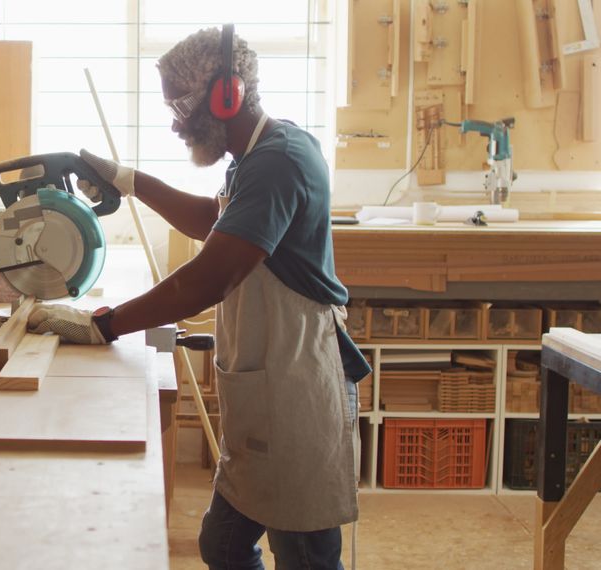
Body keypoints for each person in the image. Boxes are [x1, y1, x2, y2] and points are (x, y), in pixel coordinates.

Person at [26, 25, 371, 570]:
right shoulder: (252, 158)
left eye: (181, 105)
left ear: (226, 94)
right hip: (268, 382)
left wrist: (104, 324)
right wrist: (127, 179)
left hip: (297, 386)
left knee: (303, 553)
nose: (176, 122)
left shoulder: (279, 160)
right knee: (225, 546)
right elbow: (212, 221)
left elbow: (207, 278)